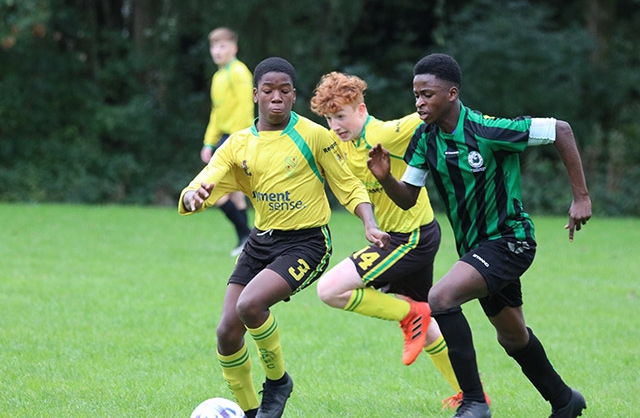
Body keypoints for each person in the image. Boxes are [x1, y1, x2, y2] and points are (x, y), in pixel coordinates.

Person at [367, 53, 591, 418]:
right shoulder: (425, 140)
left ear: (452, 94)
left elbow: (561, 130)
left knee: (440, 296)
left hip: (510, 239)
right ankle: (565, 400)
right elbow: (408, 199)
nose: (420, 103)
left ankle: (473, 402)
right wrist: (384, 177)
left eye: (428, 94)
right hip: (476, 249)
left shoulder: (488, 129)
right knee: (513, 336)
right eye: (416, 95)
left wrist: (580, 197)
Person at [179, 57, 389, 418]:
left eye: (285, 91)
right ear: (255, 94)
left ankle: (277, 382)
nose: (276, 97)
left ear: (294, 96)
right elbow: (202, 183)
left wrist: (368, 223)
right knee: (228, 332)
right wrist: (192, 196)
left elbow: (348, 184)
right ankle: (250, 412)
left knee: (250, 306)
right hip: (261, 241)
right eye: (269, 90)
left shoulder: (315, 136)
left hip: (307, 243)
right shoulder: (238, 145)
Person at [310, 71, 488, 409]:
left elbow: (433, 114)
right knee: (430, 324)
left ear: (361, 109)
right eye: (330, 118)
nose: (335, 125)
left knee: (330, 289)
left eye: (342, 116)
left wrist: (481, 126)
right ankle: (472, 395)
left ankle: (409, 314)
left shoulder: (384, 133)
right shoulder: (340, 146)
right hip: (401, 237)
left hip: (411, 239)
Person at [201, 27, 253, 257]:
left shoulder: (239, 72)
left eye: (222, 46)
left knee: (213, 192)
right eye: (214, 46)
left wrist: (238, 140)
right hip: (223, 138)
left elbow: (245, 107)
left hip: (236, 138)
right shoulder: (218, 76)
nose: (217, 51)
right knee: (235, 193)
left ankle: (248, 237)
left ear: (234, 48)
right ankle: (246, 240)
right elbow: (216, 113)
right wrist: (208, 143)